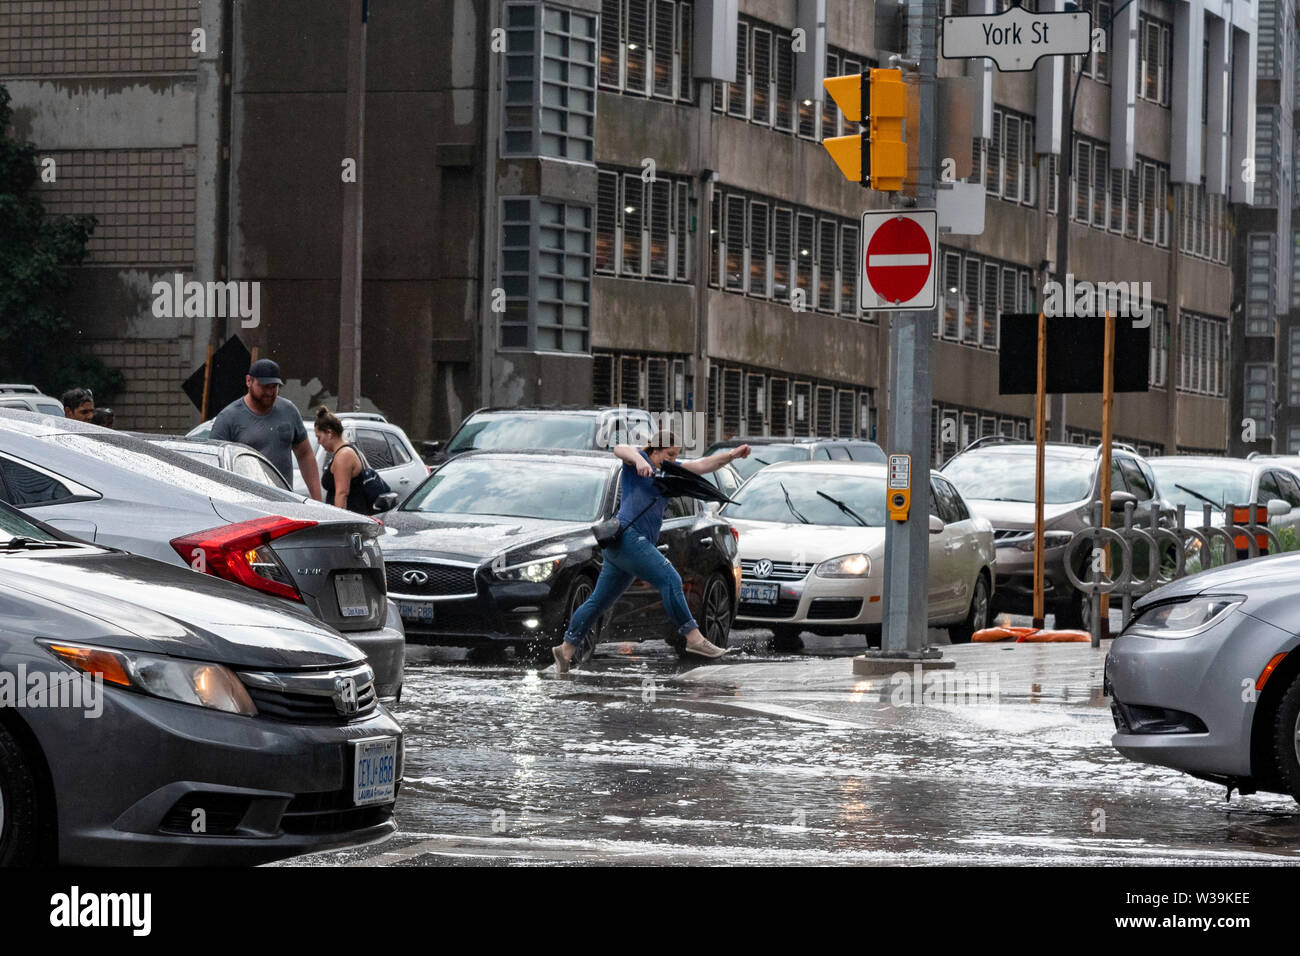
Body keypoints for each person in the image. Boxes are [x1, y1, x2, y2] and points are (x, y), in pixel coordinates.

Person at [552, 431, 751, 673]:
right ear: (654, 450)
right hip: (628, 538)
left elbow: (701, 465)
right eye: (668, 454)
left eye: (675, 456)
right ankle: (694, 638)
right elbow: (620, 448)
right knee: (670, 579)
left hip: (624, 548)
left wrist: (732, 455)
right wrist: (639, 460)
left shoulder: (667, 470)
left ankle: (565, 650)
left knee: (598, 602)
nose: (671, 460)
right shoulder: (635, 463)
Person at [209, 358, 322, 500]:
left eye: (274, 387)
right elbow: (213, 467)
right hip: (246, 504)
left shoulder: (289, 410)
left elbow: (304, 454)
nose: (269, 392)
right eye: (264, 386)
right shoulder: (228, 418)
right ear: (248, 381)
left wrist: (317, 500)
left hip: (284, 502)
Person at [315, 407, 370, 514]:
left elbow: (342, 494)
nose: (319, 442)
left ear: (329, 433)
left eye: (319, 437)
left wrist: (338, 523)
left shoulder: (344, 455)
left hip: (351, 520)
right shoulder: (346, 451)